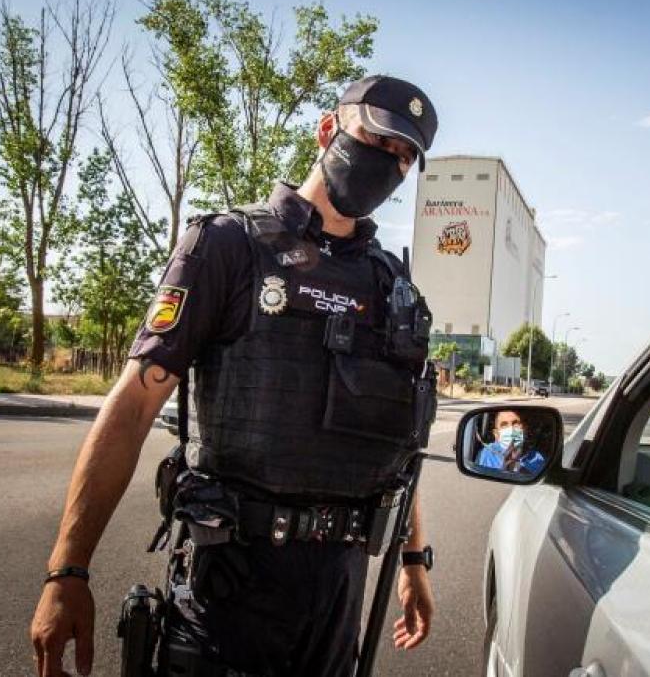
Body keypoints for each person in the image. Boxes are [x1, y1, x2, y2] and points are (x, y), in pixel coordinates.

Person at [29, 75, 440, 677]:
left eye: (404, 157)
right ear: (328, 130)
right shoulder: (226, 246)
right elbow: (132, 408)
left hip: (339, 593)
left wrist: (413, 561)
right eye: (377, 141)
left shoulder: (390, 287)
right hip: (230, 587)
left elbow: (395, 441)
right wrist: (67, 569)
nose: (389, 163)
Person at [475, 410, 547, 475]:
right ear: (496, 434)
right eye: (504, 425)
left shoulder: (537, 458)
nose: (511, 429)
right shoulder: (486, 453)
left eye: (516, 423)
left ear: (524, 429)